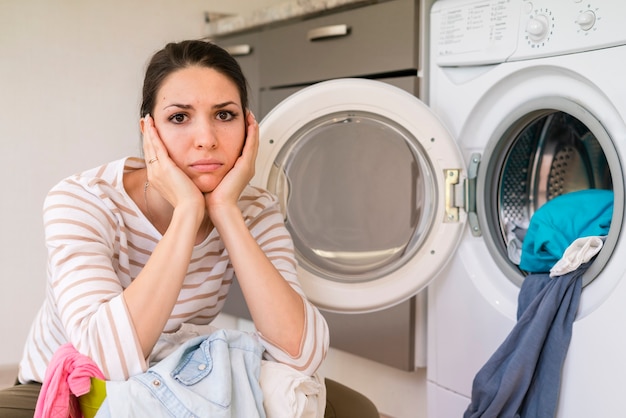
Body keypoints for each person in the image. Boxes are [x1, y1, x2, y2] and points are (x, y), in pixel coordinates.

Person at [0, 39, 330, 417]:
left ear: (247, 126)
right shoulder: (82, 200)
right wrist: (188, 212)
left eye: (224, 115)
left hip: (174, 375)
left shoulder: (253, 209)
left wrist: (225, 211)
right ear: (149, 130)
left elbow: (302, 353)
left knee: (354, 407)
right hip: (65, 389)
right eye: (179, 117)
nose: (206, 139)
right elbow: (104, 361)